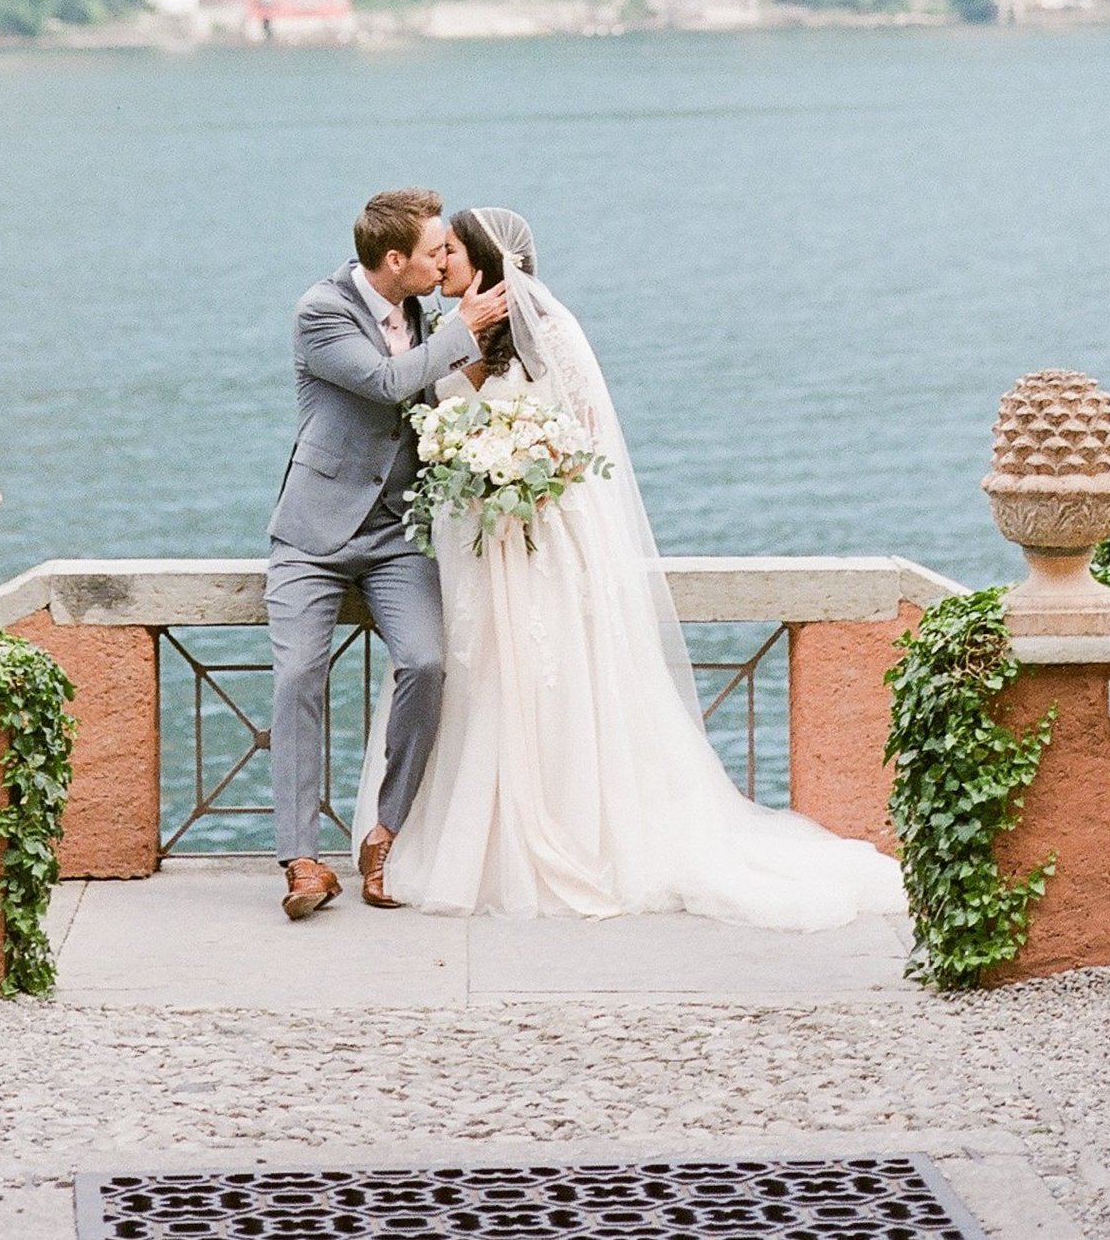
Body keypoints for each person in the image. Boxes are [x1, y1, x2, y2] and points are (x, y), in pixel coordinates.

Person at [363, 205, 905, 926]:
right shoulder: (444, 330)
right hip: (472, 549)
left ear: (487, 257)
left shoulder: (549, 329)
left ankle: (567, 833)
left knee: (549, 680)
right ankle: (472, 836)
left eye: (452, 249)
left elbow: (584, 436)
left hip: (539, 541)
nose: (440, 261)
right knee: (478, 679)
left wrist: (523, 461)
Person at [265, 186, 511, 920]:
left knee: (428, 663)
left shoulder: (423, 310)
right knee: (299, 674)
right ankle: (302, 861)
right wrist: (465, 327)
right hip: (312, 533)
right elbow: (385, 382)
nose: (445, 259)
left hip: (399, 533)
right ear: (394, 258)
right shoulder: (322, 311)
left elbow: (436, 395)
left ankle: (385, 833)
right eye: (434, 251)